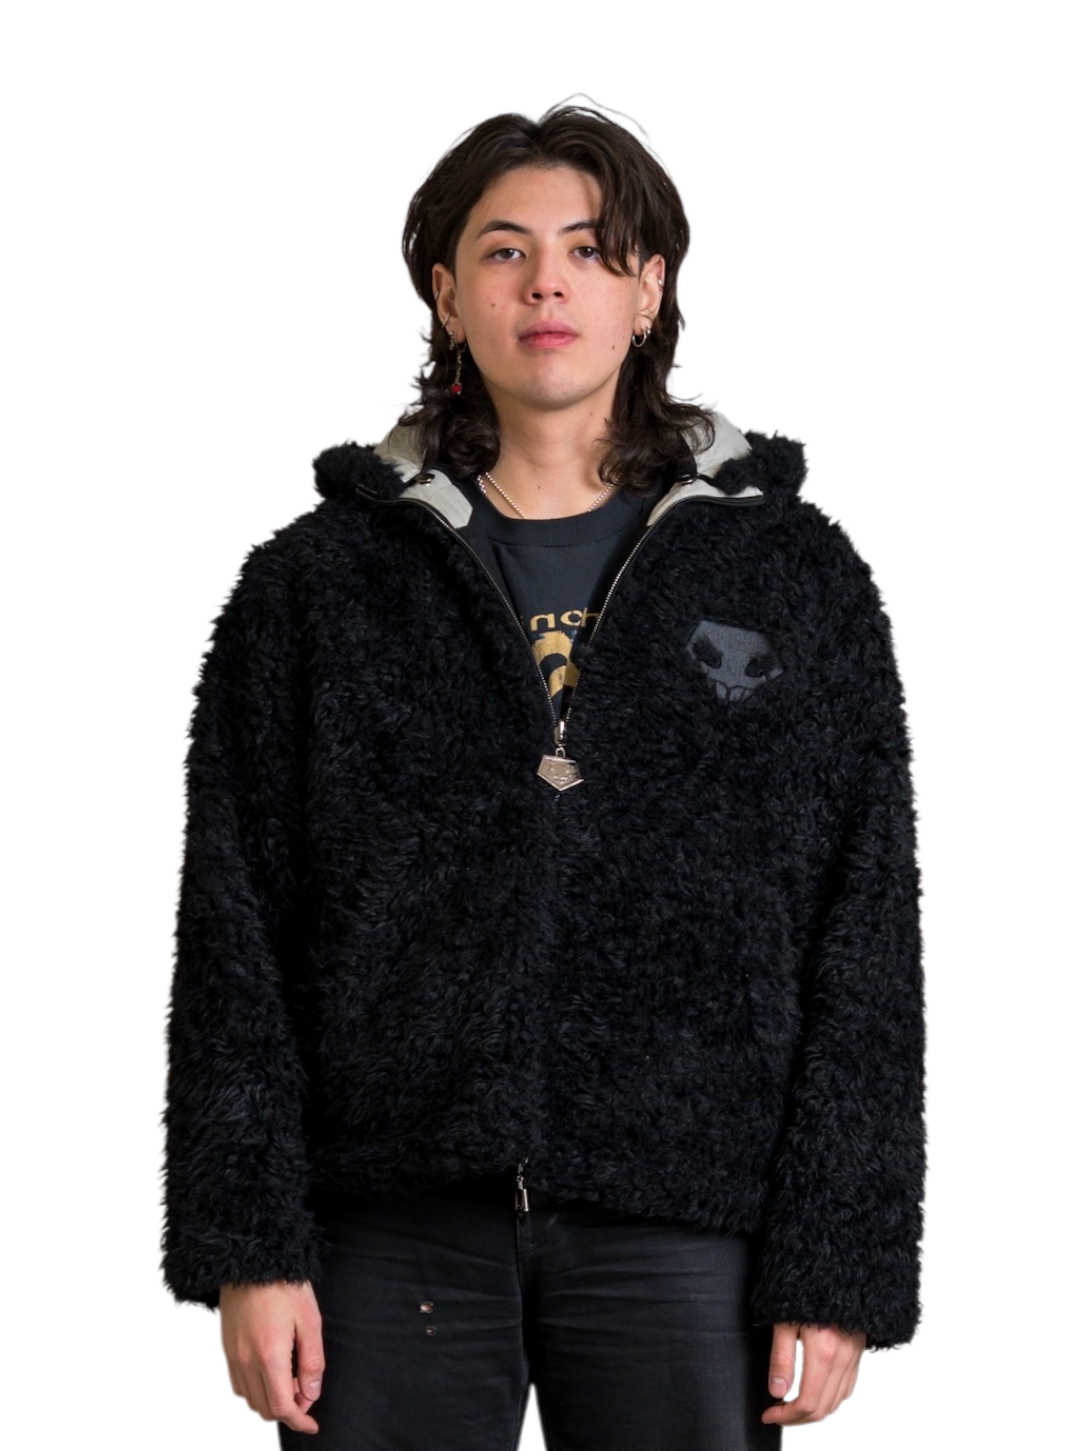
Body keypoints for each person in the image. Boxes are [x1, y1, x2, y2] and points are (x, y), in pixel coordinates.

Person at [159, 95, 927, 1449]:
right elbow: (235, 932)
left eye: (589, 249)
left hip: (692, 1219)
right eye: (504, 251)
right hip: (387, 1224)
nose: (547, 283)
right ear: (447, 294)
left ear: (650, 289)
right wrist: (250, 1246)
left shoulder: (795, 572)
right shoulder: (312, 586)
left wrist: (839, 1262)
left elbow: (865, 934)